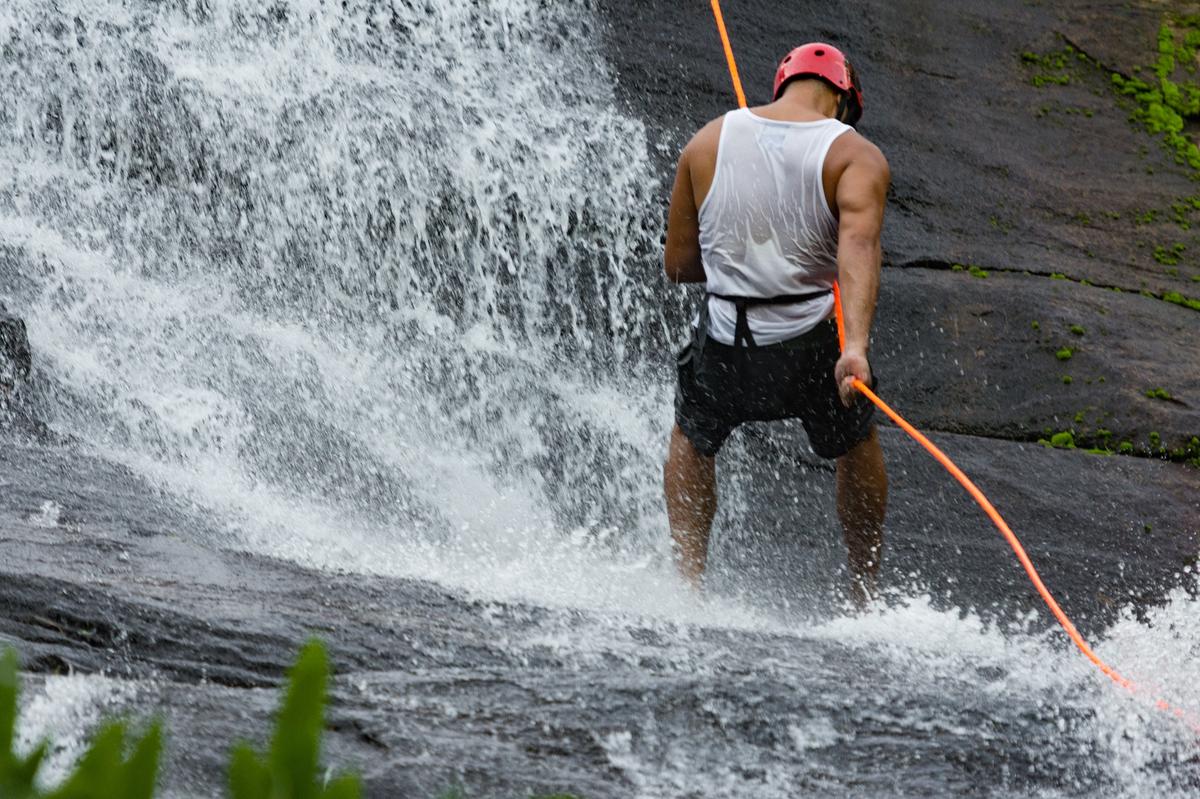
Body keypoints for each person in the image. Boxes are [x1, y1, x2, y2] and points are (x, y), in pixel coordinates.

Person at [662, 42, 889, 605]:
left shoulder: (706, 140)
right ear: (840, 98)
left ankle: (688, 585)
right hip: (809, 346)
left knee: (693, 436)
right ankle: (863, 593)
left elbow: (679, 266)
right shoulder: (855, 154)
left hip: (726, 343)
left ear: (783, 85)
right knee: (856, 441)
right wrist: (854, 348)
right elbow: (857, 247)